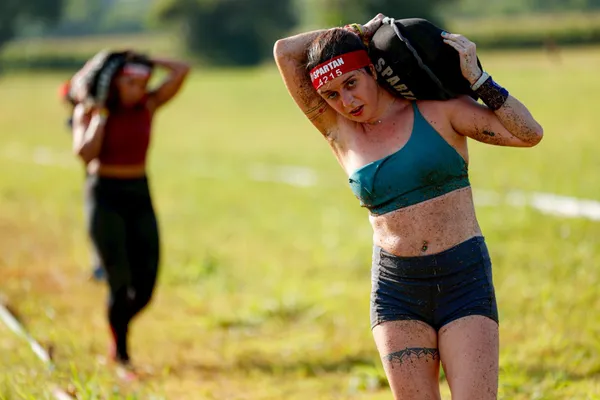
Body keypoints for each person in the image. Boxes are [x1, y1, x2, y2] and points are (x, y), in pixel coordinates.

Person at [273, 14, 543, 399]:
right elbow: (285, 52)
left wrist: (479, 80)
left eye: (351, 83)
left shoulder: (438, 111)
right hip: (397, 289)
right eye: (331, 95)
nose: (346, 102)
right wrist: (359, 32)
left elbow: (529, 134)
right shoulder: (338, 132)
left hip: (462, 279)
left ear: (372, 70)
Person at [70, 51, 190, 372]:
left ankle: (118, 325)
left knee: (146, 285)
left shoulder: (148, 105)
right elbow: (85, 153)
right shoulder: (89, 110)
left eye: (142, 83)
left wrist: (142, 57)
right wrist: (101, 115)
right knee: (119, 282)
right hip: (104, 196)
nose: (137, 89)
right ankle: (121, 354)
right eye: (129, 83)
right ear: (113, 83)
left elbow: (182, 69)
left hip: (139, 193)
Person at [58, 81, 106, 282]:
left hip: (109, 179)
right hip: (94, 180)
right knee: (97, 225)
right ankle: (99, 266)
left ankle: (103, 267)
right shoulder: (82, 117)